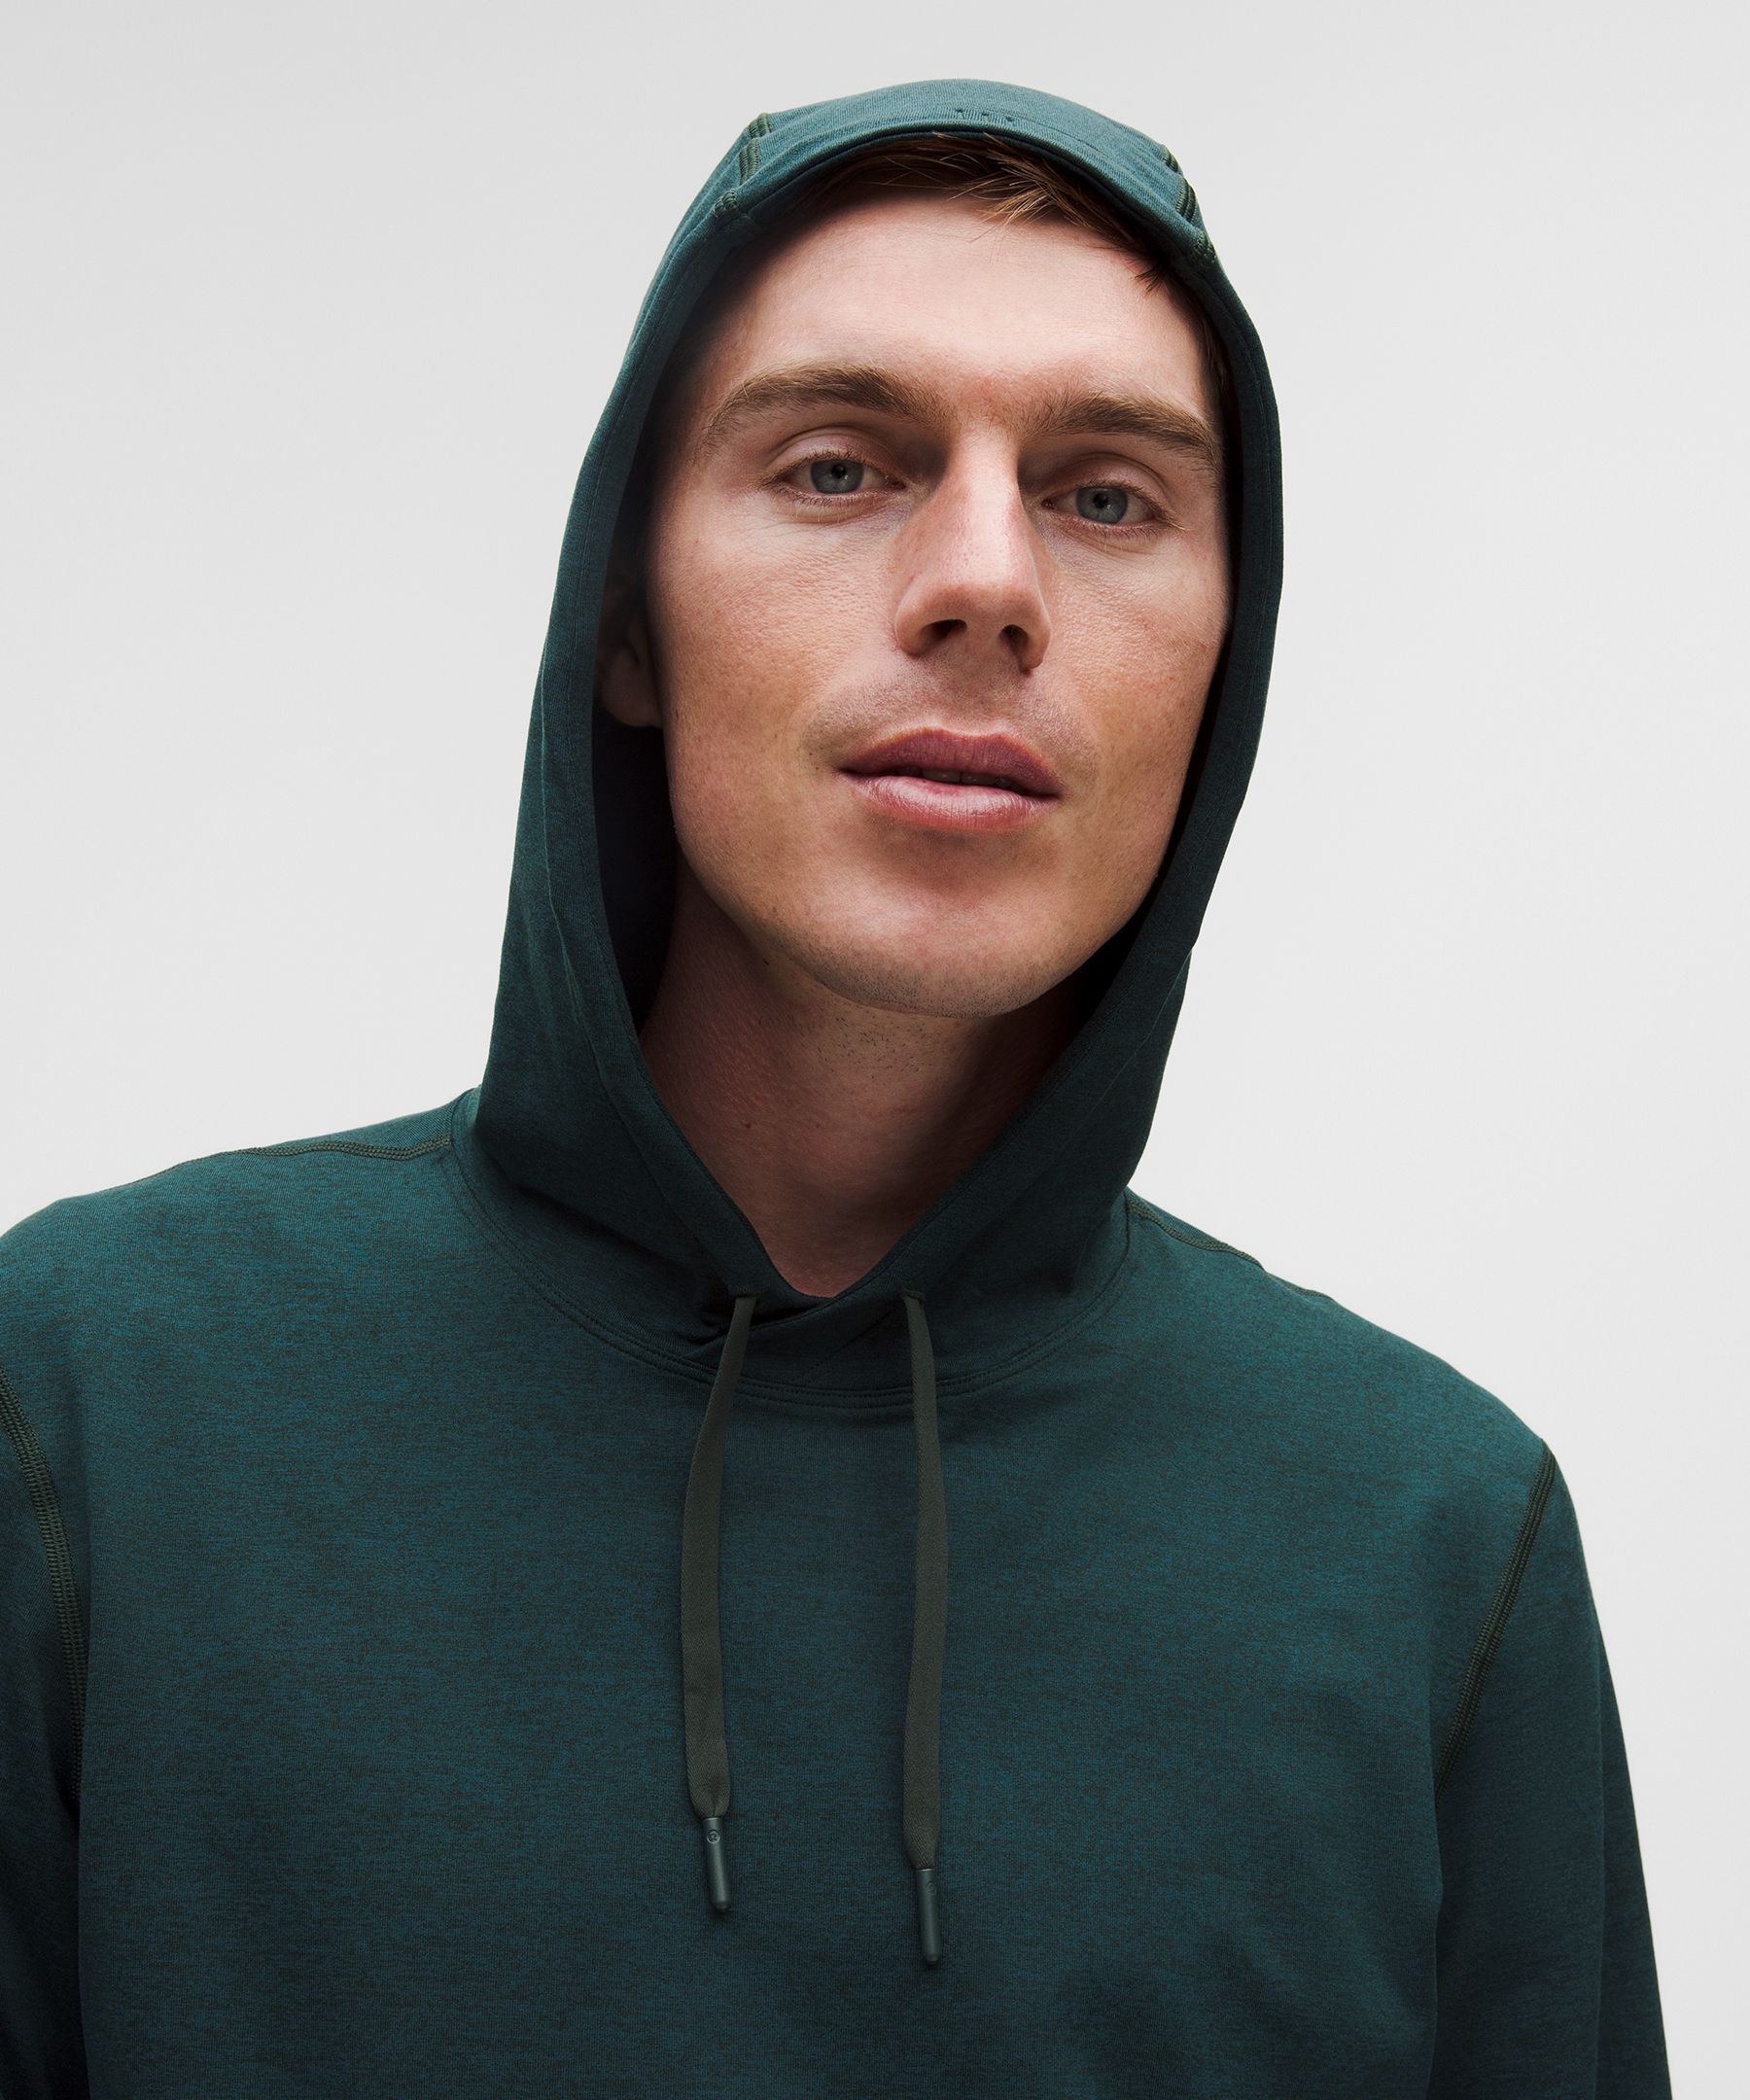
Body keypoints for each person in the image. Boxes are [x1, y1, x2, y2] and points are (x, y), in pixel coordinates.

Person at [0, 76, 1670, 2099]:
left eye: (1108, 496)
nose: (986, 581)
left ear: (1225, 664)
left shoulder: (1434, 1545)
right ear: (625, 623)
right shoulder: (94, 1406)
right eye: (835, 466)